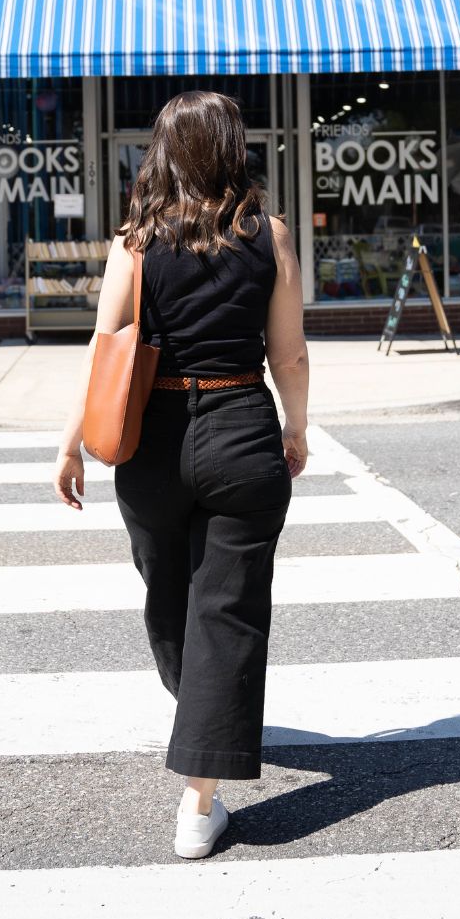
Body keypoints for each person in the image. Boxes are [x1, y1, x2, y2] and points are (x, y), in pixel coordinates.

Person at [52, 89, 310, 860]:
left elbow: (105, 351)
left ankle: (200, 777)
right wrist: (296, 426)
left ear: (161, 153)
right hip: (240, 429)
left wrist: (71, 443)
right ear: (234, 149)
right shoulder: (271, 234)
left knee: (175, 598)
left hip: (154, 441)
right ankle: (205, 745)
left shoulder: (134, 242)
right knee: (217, 612)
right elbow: (287, 353)